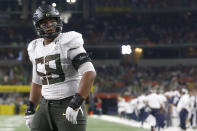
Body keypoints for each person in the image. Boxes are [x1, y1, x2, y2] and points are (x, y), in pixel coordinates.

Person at [24, 4, 96, 131]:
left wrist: (76, 103)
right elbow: (36, 82)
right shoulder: (34, 47)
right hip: (45, 104)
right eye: (45, 23)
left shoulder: (68, 42)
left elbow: (89, 73)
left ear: (58, 21)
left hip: (68, 102)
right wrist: (30, 107)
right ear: (38, 26)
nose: (50, 26)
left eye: (53, 21)